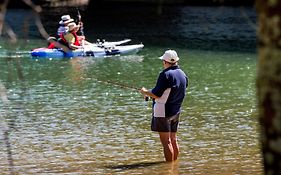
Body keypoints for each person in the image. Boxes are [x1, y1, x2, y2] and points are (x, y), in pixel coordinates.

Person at [140, 50, 188, 162]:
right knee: (173, 140)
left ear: (165, 61)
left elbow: (156, 94)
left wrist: (145, 92)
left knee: (166, 142)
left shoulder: (165, 74)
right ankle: (174, 167)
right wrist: (150, 93)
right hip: (176, 111)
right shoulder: (183, 74)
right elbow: (169, 91)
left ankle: (169, 169)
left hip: (163, 111)